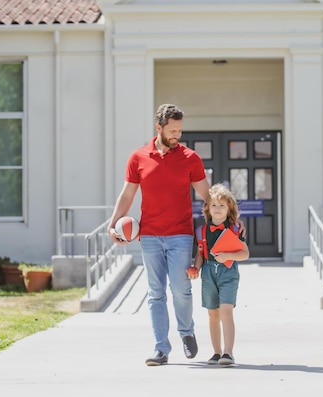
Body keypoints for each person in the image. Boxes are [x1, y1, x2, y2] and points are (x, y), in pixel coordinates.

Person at [107, 104, 243, 366]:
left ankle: (186, 331)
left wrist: (232, 219)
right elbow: (127, 194)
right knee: (155, 292)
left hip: (181, 235)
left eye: (180, 130)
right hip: (149, 236)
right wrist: (113, 224)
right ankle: (161, 348)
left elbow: (208, 195)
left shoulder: (190, 158)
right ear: (158, 127)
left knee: (180, 290)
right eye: (172, 130)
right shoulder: (138, 158)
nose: (177, 135)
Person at [187, 183, 250, 366]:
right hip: (208, 272)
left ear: (229, 208)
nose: (217, 209)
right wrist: (195, 268)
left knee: (226, 311)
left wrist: (228, 256)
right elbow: (200, 254)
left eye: (222, 205)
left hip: (228, 272)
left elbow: (245, 254)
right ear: (207, 208)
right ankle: (216, 353)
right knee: (212, 314)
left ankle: (228, 353)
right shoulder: (201, 231)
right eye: (214, 205)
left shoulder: (235, 229)